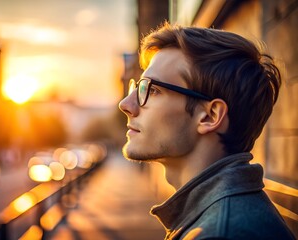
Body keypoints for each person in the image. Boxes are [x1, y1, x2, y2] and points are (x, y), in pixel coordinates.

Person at [118, 22, 295, 240]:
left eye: (151, 89)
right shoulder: (219, 217)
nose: (126, 104)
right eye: (137, 88)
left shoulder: (220, 234)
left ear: (210, 116)